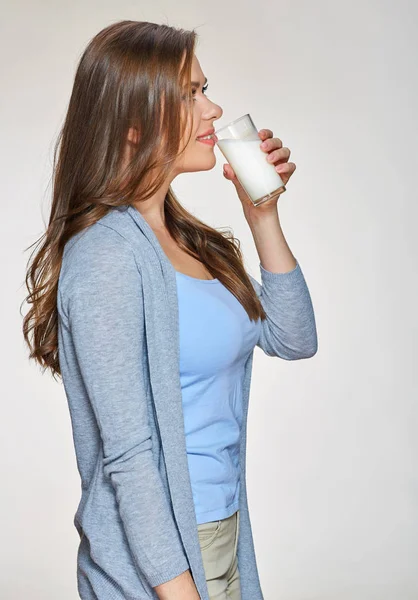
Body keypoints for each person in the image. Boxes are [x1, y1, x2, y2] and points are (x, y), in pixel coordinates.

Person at [22, 19, 318, 600]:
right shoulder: (107, 257)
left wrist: (263, 213)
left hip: (222, 533)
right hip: (162, 568)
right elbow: (128, 461)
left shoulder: (193, 243)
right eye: (190, 93)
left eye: (205, 88)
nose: (214, 109)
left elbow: (294, 336)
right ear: (132, 124)